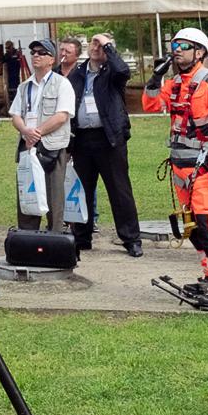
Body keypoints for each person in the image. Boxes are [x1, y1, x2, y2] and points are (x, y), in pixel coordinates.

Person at [143, 28, 208, 294]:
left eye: (184, 46)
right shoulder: (175, 83)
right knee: (192, 226)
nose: (177, 50)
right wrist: (155, 77)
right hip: (180, 167)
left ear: (199, 52)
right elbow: (151, 105)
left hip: (203, 166)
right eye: (175, 45)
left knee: (205, 224)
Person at [67, 32, 141, 258]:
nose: (96, 48)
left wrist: (108, 46)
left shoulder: (112, 73)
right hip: (82, 139)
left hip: (110, 139)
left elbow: (123, 70)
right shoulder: (77, 74)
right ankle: (82, 236)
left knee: (119, 190)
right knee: (82, 190)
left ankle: (131, 238)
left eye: (101, 46)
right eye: (93, 44)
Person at [11, 37, 75, 232]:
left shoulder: (62, 84)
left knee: (54, 198)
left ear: (51, 59)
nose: (36, 56)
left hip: (52, 148)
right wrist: (25, 131)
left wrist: (36, 133)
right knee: (27, 194)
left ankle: (54, 238)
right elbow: (15, 115)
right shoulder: (24, 87)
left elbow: (62, 116)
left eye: (41, 53)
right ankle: (27, 238)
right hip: (28, 147)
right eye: (33, 53)